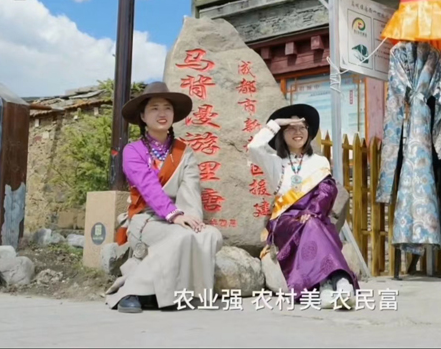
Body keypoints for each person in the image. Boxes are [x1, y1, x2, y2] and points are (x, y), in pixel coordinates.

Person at [105, 82, 223, 313]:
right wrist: (174, 215)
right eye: (154, 108)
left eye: (167, 108)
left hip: (179, 217)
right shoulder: (133, 151)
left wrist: (193, 221)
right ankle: (131, 290)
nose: (162, 113)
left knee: (209, 235)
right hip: (146, 219)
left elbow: (190, 190)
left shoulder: (184, 152)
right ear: (143, 116)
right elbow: (149, 187)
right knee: (182, 237)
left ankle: (185, 294)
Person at [247, 103, 359, 309]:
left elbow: (327, 190)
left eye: (302, 127)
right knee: (311, 226)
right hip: (286, 221)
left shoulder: (319, 161)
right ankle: (339, 281)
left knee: (313, 225)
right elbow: (254, 147)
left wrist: (312, 211)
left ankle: (327, 287)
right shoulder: (274, 162)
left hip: (315, 215)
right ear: (282, 133)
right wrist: (276, 123)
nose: (297, 132)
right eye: (291, 128)